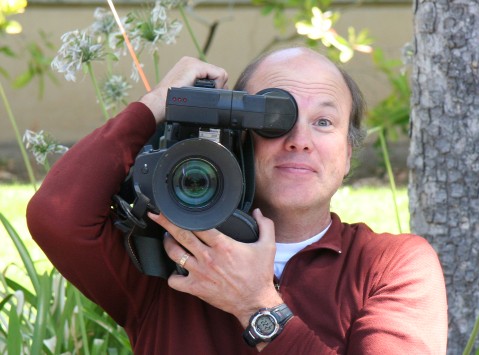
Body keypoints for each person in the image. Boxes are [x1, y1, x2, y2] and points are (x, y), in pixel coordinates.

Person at [26, 47, 448, 354]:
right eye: (274, 118)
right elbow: (56, 215)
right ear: (237, 136)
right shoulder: (169, 252)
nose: (299, 141)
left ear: (348, 153)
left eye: (324, 121)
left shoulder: (389, 264)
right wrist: (157, 104)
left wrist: (255, 305)